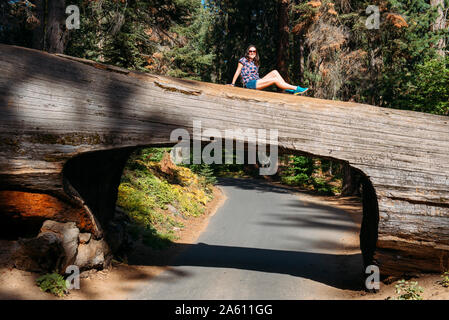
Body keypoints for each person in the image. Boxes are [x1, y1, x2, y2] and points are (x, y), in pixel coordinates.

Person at [229, 44, 308, 94]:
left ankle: (287, 89)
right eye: (250, 51)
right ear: (248, 52)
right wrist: (232, 84)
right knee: (275, 80)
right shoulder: (243, 60)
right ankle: (296, 88)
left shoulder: (255, 62)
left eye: (254, 51)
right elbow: (238, 71)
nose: (252, 52)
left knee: (275, 72)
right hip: (250, 84)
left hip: (257, 81)